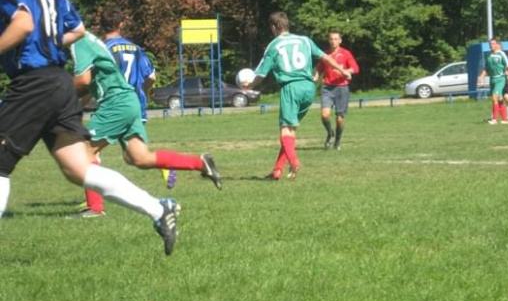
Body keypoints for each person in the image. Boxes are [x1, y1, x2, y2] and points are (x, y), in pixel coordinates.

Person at [0, 0, 179, 255]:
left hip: (34, 82)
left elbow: (23, 24)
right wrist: (50, 40)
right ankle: (159, 208)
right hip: (59, 83)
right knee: (79, 170)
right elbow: (78, 30)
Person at [71, 31, 222, 217]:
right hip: (132, 101)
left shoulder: (80, 42)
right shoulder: (104, 44)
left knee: (85, 153)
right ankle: (200, 163)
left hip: (115, 103)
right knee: (139, 157)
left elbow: (83, 80)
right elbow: (150, 77)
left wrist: (58, 99)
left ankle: (95, 208)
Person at [243, 11, 351, 180]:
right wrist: (342, 69)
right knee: (291, 131)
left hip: (291, 87)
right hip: (309, 88)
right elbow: (325, 57)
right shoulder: (305, 40)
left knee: (286, 129)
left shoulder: (274, 45)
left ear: (273, 27)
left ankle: (294, 161)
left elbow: (261, 74)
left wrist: (249, 85)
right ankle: (277, 171)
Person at [100, 7, 176, 188]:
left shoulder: (103, 49)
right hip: (136, 103)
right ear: (121, 24)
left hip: (115, 103)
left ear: (101, 26)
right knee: (132, 156)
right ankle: (164, 164)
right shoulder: (135, 48)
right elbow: (151, 77)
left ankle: (94, 203)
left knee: (89, 149)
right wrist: (144, 92)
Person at [314, 29, 359, 150]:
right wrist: (316, 75)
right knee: (324, 115)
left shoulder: (346, 53)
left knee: (340, 119)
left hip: (342, 88)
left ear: (340, 40)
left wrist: (346, 72)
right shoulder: (326, 54)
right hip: (327, 88)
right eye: (331, 39)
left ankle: (337, 141)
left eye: (335, 39)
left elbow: (355, 68)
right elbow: (319, 68)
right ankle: (329, 133)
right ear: (328, 40)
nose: (333, 41)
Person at [477, 38, 508, 125]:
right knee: (500, 99)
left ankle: (494, 119)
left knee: (494, 97)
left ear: (497, 45)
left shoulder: (501, 54)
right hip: (492, 79)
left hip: (500, 79)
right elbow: (486, 68)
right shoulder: (489, 56)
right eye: (490, 44)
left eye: (493, 44)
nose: (491, 46)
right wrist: (481, 76)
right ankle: (505, 119)